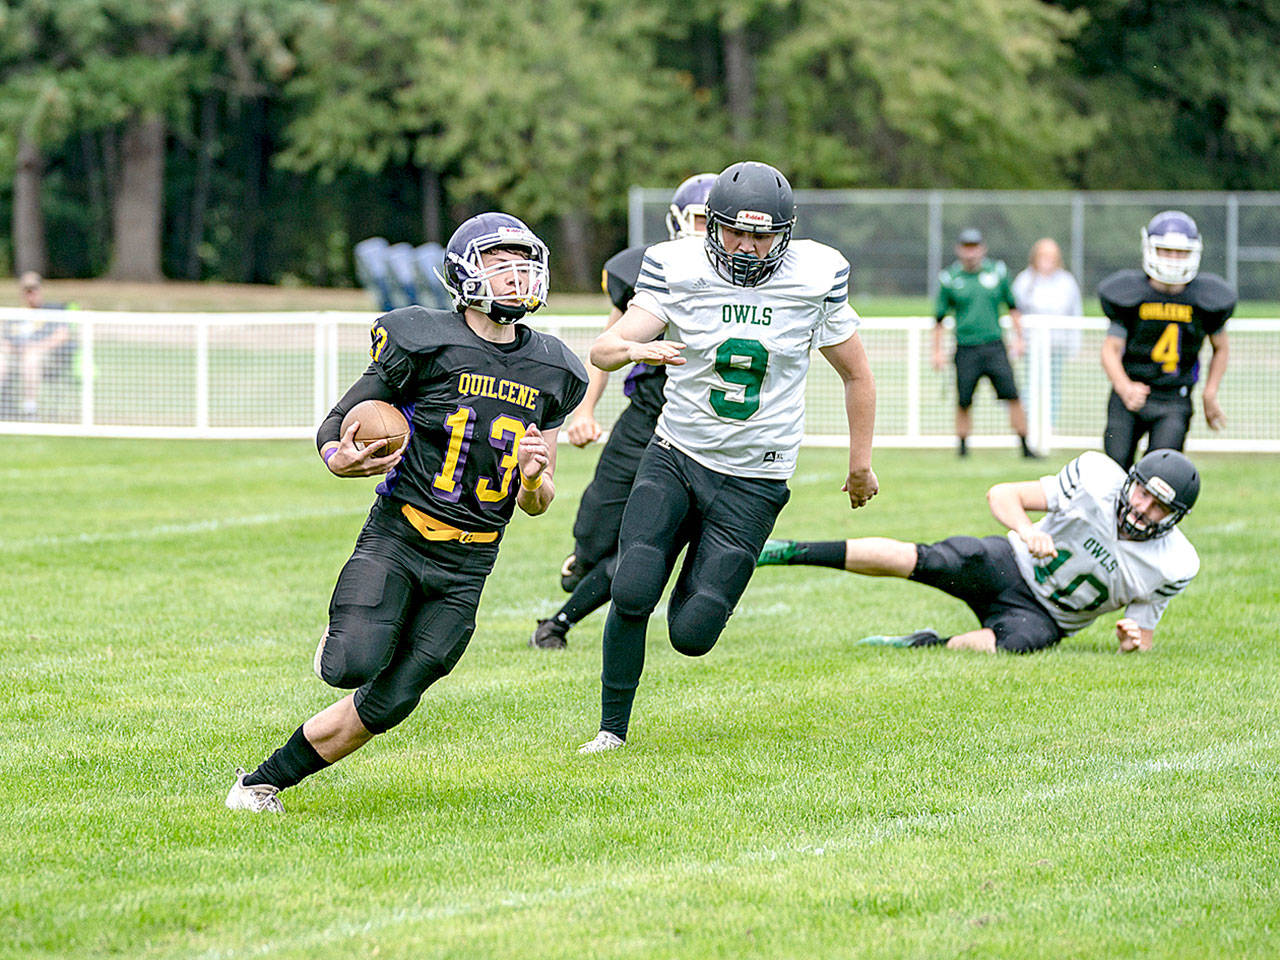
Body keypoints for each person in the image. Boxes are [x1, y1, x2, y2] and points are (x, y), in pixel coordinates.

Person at [226, 212, 588, 812]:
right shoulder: (421, 337)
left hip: (470, 564)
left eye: (525, 263)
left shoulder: (555, 370)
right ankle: (343, 637)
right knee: (350, 667)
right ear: (466, 273)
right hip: (400, 536)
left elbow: (538, 501)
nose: (517, 275)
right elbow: (340, 420)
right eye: (501, 263)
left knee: (391, 701)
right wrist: (338, 457)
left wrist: (531, 479)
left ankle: (260, 785)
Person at [577, 160, 879, 753]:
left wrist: (860, 463)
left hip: (756, 477)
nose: (745, 246)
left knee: (692, 634)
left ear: (784, 234)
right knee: (633, 586)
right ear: (710, 225)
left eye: (761, 234)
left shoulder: (815, 276)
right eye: (734, 231)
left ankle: (711, 575)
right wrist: (635, 347)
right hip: (677, 452)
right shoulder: (678, 266)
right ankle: (611, 730)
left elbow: (857, 375)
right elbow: (606, 347)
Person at [757, 448, 1200, 654]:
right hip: (1008, 564)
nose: (1142, 507)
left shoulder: (1174, 564)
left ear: (1175, 516)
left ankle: (923, 646)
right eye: (1142, 493)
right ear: (1131, 482)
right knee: (934, 558)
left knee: (1016, 644)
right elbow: (1002, 494)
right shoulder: (1096, 479)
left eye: (1158, 505)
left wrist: (1130, 641)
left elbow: (1141, 639)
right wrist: (1027, 531)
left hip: (1044, 616)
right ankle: (790, 551)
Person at [529, 173, 716, 651]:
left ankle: (559, 623)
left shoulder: (751, 283)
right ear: (678, 221)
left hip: (695, 424)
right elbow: (609, 343)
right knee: (593, 534)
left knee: (646, 539)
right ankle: (586, 571)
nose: (707, 231)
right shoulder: (645, 268)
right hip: (644, 415)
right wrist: (585, 410)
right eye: (699, 219)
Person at [1099, 210, 1234, 469]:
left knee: (1159, 474)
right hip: (1130, 395)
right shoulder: (1130, 294)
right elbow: (1109, 350)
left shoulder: (1205, 299)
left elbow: (1222, 348)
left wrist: (1210, 392)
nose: (1173, 259)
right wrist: (1125, 387)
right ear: (1149, 249)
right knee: (1113, 471)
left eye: (1181, 252)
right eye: (1165, 250)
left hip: (1174, 398)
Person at [934, 228, 1038, 458]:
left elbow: (1013, 308)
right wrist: (937, 352)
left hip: (994, 345)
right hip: (965, 347)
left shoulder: (997, 273)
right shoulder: (950, 278)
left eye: (974, 247)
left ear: (982, 248)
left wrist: (1019, 339)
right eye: (966, 247)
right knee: (964, 400)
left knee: (1012, 395)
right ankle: (962, 448)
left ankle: (1025, 446)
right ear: (959, 249)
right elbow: (939, 319)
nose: (970, 252)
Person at [1011, 238, 1083, 427]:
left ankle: (1048, 427)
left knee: (1053, 386)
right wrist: (1017, 342)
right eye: (1043, 256)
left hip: (1056, 345)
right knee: (1030, 385)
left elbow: (1075, 313)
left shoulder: (1067, 282)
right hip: (1031, 346)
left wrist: (1074, 346)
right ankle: (1028, 427)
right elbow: (1015, 312)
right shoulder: (1024, 280)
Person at [0, 271, 74, 419]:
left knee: (31, 357)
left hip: (49, 358)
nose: (31, 294)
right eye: (27, 290)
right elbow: (5, 339)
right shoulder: (15, 316)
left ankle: (30, 409)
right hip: (16, 357)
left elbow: (63, 335)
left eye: (33, 289)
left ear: (40, 289)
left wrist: (37, 348)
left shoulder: (53, 310)